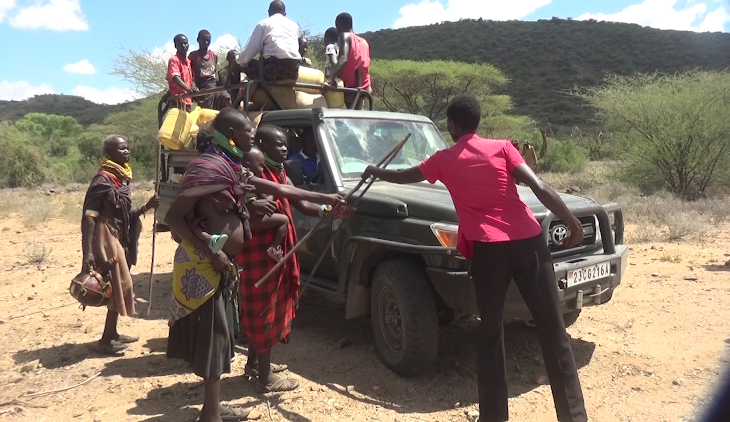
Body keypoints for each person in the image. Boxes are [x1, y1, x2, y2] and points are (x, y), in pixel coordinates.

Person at [362, 94, 588, 422]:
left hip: (488, 251)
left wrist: (376, 171)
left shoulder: (444, 159)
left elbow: (406, 176)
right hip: (529, 242)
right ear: (478, 122)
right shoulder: (503, 148)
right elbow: (538, 186)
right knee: (554, 332)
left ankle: (493, 418)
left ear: (452, 126)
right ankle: (575, 417)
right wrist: (572, 224)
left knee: (491, 333)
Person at [165, 108, 342, 422]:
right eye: (249, 131)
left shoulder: (233, 167)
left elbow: (282, 190)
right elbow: (173, 218)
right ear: (233, 134)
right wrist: (211, 250)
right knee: (213, 338)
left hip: (222, 263)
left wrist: (327, 198)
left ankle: (212, 408)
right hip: (204, 264)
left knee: (219, 337)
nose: (254, 135)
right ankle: (211, 416)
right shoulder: (208, 167)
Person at [237, 124, 345, 394]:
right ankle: (265, 378)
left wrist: (331, 210)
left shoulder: (282, 172)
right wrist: (326, 199)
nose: (284, 148)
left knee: (266, 307)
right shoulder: (250, 172)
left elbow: (304, 205)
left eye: (286, 144)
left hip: (278, 252)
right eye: (277, 144)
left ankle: (253, 365)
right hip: (260, 252)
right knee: (263, 310)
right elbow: (280, 197)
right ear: (261, 143)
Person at [81, 135, 159, 355]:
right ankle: (105, 341)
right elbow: (89, 217)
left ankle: (111, 333)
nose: (127, 152)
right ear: (109, 153)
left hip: (118, 234)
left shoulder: (121, 179)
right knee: (120, 284)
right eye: (122, 149)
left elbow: (126, 214)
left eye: (127, 149)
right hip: (105, 236)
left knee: (118, 284)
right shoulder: (102, 180)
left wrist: (147, 207)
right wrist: (87, 252)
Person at [242, 146, 290, 262]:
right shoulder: (253, 181)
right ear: (248, 166)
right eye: (260, 166)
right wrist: (276, 192)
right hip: (253, 218)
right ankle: (273, 249)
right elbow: (268, 200)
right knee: (284, 219)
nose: (262, 170)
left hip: (244, 219)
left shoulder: (238, 177)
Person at [236, 1, 301, 82]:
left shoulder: (263, 24)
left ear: (269, 13)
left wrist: (238, 61)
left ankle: (236, 94)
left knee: (240, 65)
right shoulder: (294, 26)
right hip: (293, 73)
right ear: (285, 14)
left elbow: (251, 50)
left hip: (272, 72)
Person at [327, 13, 371, 109]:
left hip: (350, 88)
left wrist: (329, 79)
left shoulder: (345, 36)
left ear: (339, 25)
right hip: (365, 87)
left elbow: (343, 59)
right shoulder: (364, 42)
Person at [188, 30, 232, 110]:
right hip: (202, 87)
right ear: (198, 40)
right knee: (208, 106)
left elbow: (214, 73)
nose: (206, 42)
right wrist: (192, 86)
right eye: (203, 40)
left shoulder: (214, 55)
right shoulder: (193, 56)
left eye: (208, 40)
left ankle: (233, 115)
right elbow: (188, 73)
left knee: (226, 97)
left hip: (214, 85)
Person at [166, 33, 198, 109]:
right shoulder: (174, 60)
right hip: (177, 100)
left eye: (185, 43)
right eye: (181, 44)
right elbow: (175, 77)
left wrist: (193, 88)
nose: (184, 46)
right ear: (176, 46)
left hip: (187, 100)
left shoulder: (188, 62)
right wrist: (188, 89)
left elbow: (191, 79)